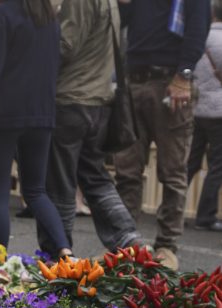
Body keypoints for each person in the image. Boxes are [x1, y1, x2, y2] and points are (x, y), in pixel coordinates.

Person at [0, 0, 73, 257]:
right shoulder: (49, 18)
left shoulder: (3, 14)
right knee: (36, 191)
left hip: (4, 114)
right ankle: (65, 249)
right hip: (42, 113)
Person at [40, 0, 143, 256]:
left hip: (70, 99)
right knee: (95, 177)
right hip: (98, 100)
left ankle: (58, 254)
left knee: (59, 183)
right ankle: (128, 238)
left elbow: (65, 46)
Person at [114, 0, 211, 269]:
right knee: (127, 169)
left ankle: (167, 244)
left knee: (172, 171)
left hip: (170, 81)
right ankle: (125, 242)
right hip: (134, 78)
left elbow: (197, 27)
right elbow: (121, 21)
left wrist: (183, 76)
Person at [187, 0, 222, 232]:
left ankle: (171, 208)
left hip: (196, 106)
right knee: (218, 164)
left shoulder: (200, 38)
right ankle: (205, 216)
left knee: (190, 161)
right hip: (219, 110)